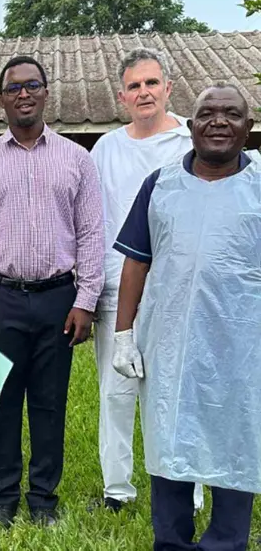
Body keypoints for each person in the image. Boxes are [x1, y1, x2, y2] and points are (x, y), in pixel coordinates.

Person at [0, 56, 104, 527]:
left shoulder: (78, 159)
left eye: (32, 85)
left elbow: (92, 235)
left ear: (45, 93)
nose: (23, 93)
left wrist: (85, 300)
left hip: (59, 299)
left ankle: (43, 499)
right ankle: (3, 497)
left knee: (49, 402)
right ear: (0, 100)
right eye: (14, 88)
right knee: (0, 400)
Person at [113, 84, 259, 551]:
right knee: (169, 439)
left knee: (237, 438)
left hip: (244, 346)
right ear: (190, 127)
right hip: (170, 342)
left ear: (248, 128)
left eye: (231, 114)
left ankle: (226, 542)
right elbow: (135, 262)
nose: (219, 121)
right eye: (207, 114)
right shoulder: (160, 184)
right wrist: (122, 335)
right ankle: (171, 542)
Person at [89, 47, 204, 513]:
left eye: (151, 83)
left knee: (177, 394)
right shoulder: (106, 149)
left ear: (168, 89)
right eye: (134, 86)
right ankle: (117, 490)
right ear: (122, 95)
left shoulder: (190, 145)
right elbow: (92, 221)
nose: (144, 93)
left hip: (177, 292)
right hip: (117, 291)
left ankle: (189, 491)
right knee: (115, 395)